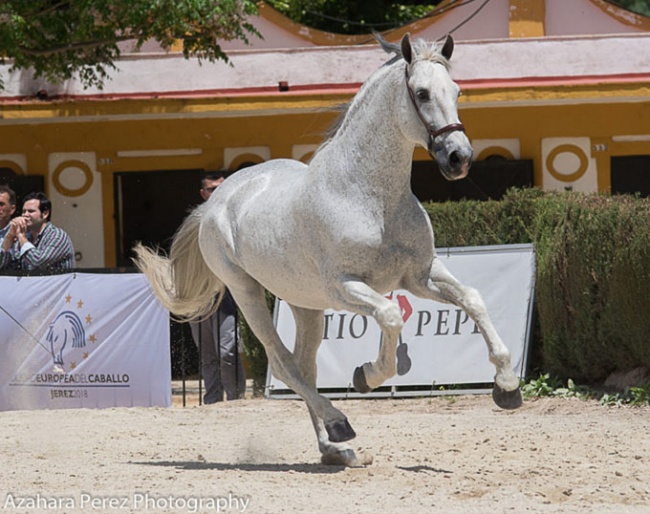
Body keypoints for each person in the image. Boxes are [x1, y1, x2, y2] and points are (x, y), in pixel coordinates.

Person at [191, 171, 246, 403]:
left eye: (221, 187)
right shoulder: (194, 221)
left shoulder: (236, 217)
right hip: (200, 297)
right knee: (207, 356)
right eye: (213, 189)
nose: (218, 192)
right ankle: (212, 402)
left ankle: (235, 400)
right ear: (203, 193)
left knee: (228, 352)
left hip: (227, 296)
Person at [0, 191, 75, 273]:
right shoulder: (25, 237)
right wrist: (9, 237)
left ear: (45, 214)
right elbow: (3, 265)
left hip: (56, 285)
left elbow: (37, 262)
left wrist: (21, 236)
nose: (25, 215)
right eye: (24, 211)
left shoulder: (57, 235)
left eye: (31, 211)